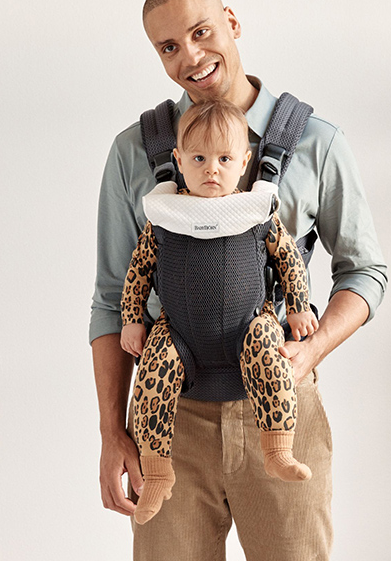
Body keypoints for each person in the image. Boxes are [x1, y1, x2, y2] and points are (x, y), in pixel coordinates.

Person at [90, 0, 387, 560]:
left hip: (280, 409)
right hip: (168, 419)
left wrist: (312, 348)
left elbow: (364, 272)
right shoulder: (134, 152)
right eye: (168, 47)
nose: (190, 57)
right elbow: (110, 296)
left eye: (201, 32)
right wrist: (111, 431)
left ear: (231, 21)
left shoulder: (317, 143)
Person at [121, 99, 319, 525]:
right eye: (199, 159)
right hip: (179, 335)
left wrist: (298, 307)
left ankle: (278, 449)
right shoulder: (165, 217)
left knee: (269, 348)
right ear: (178, 161)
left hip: (248, 327)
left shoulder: (256, 213)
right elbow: (138, 270)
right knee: (153, 371)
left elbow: (289, 260)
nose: (212, 169)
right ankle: (157, 471)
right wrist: (132, 319)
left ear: (245, 162)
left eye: (224, 159)